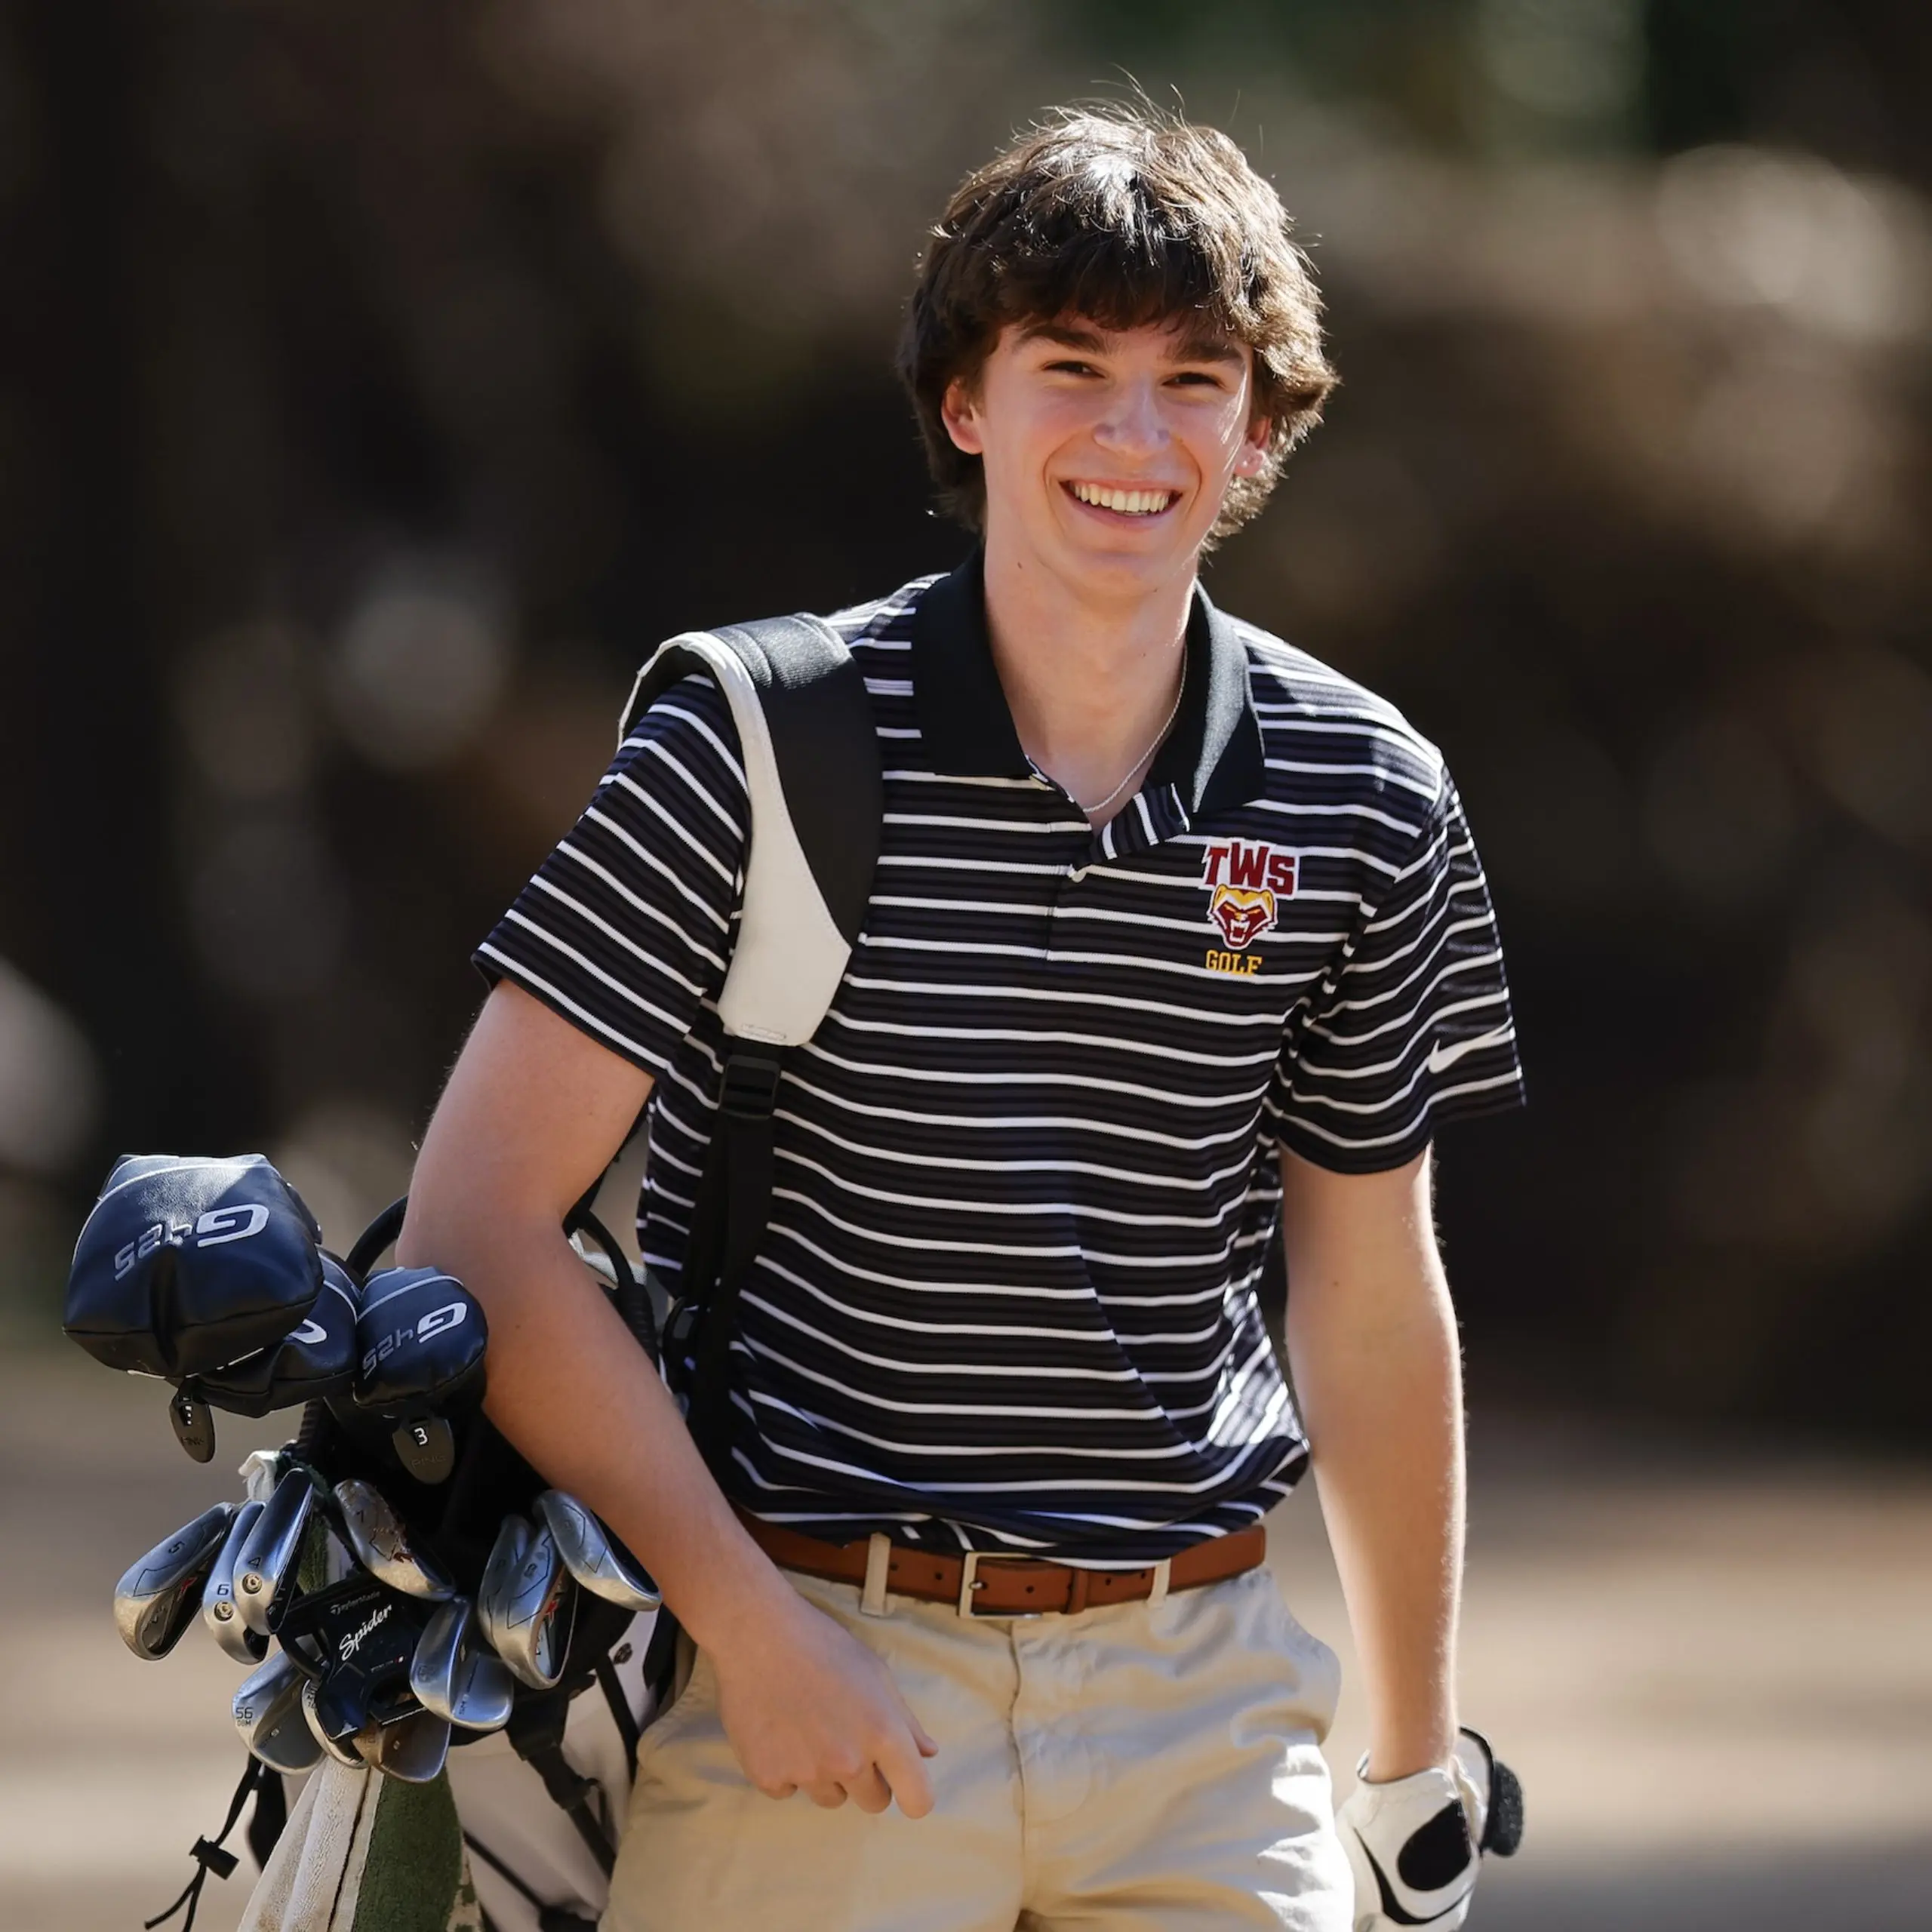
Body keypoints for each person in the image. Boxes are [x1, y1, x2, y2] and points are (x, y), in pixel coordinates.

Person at [400, 103, 1523, 1931]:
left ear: (1256, 427)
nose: (1133, 434)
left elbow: (1370, 1291)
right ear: (966, 403)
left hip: (1206, 1704)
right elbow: (475, 1231)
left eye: (1194, 378)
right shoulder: (757, 741)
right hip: (812, 1668)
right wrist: (745, 1627)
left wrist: (1407, 1761)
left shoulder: (1363, 794)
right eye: (1070, 366)